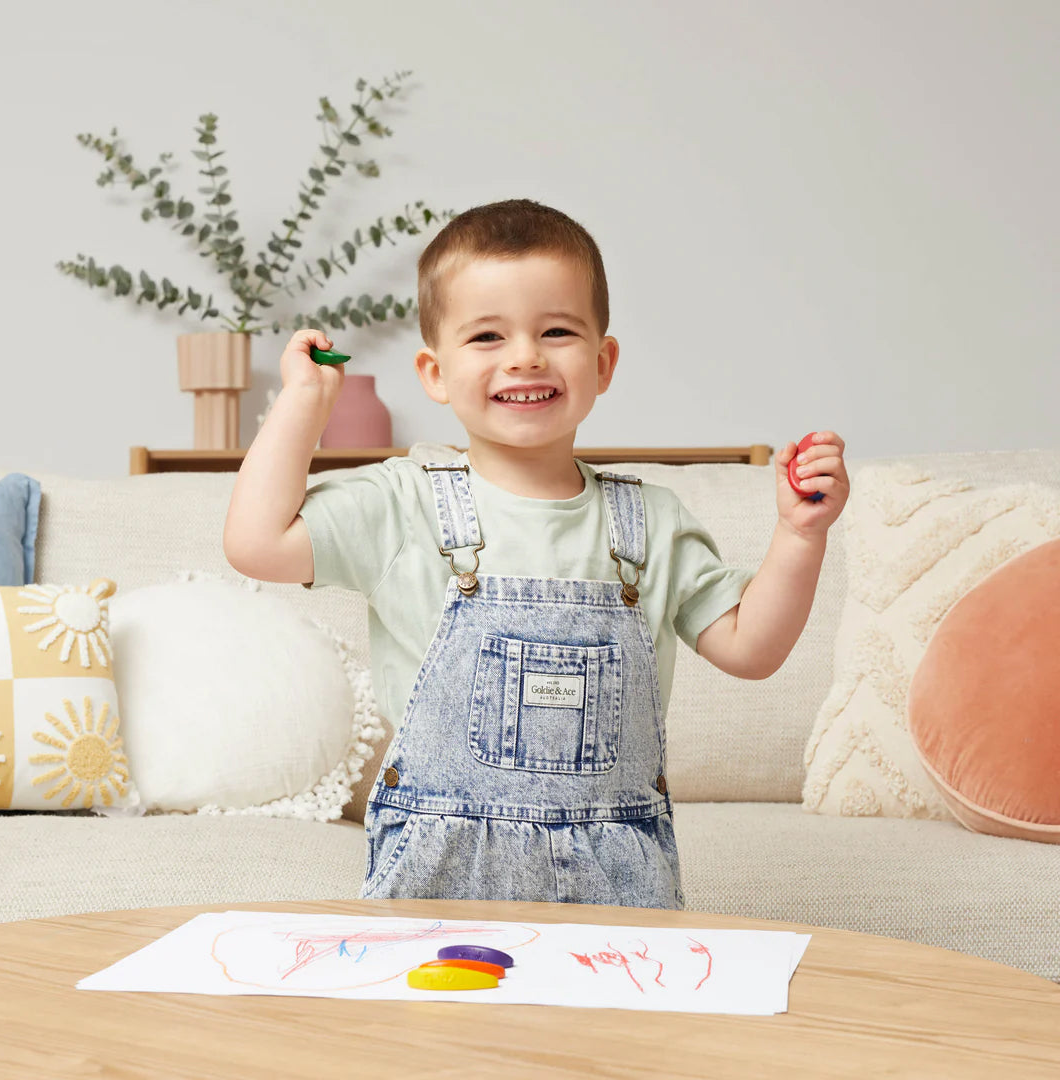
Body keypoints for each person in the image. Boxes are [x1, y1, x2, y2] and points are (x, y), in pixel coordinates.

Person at [223, 198, 848, 910]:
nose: (525, 355)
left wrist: (800, 537)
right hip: (438, 864)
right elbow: (255, 544)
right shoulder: (404, 504)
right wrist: (304, 403)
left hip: (620, 872)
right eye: (487, 336)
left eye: (556, 329)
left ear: (603, 361)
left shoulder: (652, 522)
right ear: (434, 371)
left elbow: (752, 649)